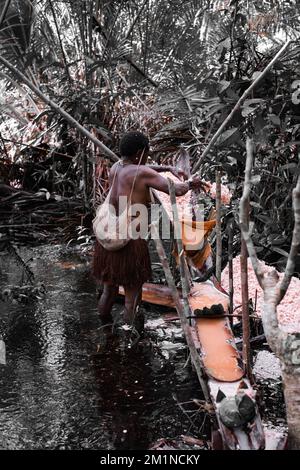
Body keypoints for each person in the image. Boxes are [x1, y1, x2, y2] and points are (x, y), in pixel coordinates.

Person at [93, 131, 206, 328]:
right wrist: (191, 183)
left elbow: (141, 168)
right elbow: (177, 190)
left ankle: (106, 331)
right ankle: (131, 341)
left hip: (108, 240)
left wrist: (167, 167)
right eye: (146, 153)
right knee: (131, 298)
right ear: (139, 153)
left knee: (108, 291)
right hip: (130, 242)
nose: (147, 157)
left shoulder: (116, 168)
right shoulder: (141, 173)